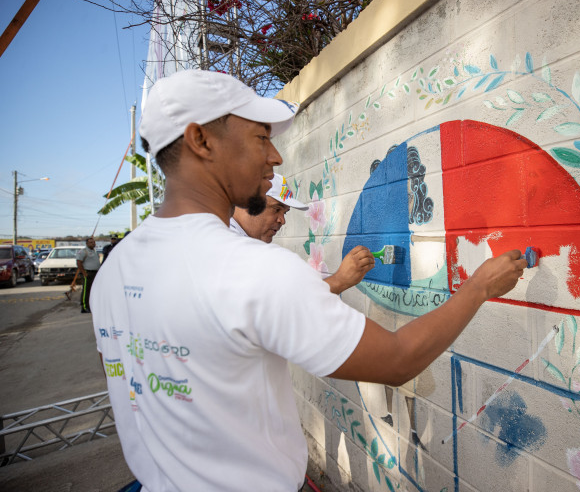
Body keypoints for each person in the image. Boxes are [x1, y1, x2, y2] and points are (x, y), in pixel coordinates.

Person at [90, 69, 527, 491]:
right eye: (260, 137)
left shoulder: (114, 270)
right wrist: (479, 287)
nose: (275, 156)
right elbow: (397, 361)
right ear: (200, 140)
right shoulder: (252, 270)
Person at [230, 172, 375, 294]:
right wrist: (339, 280)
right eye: (276, 209)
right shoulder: (233, 249)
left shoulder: (239, 242)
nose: (282, 220)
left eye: (285, 212)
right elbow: (282, 306)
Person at [75, 237, 100, 314]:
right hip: (87, 273)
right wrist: (84, 273)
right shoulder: (83, 251)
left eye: (94, 242)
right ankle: (84, 307)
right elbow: (79, 262)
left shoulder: (94, 251)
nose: (93, 244)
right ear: (87, 243)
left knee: (93, 290)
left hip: (95, 273)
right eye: (91, 242)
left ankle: (91, 305)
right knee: (86, 290)